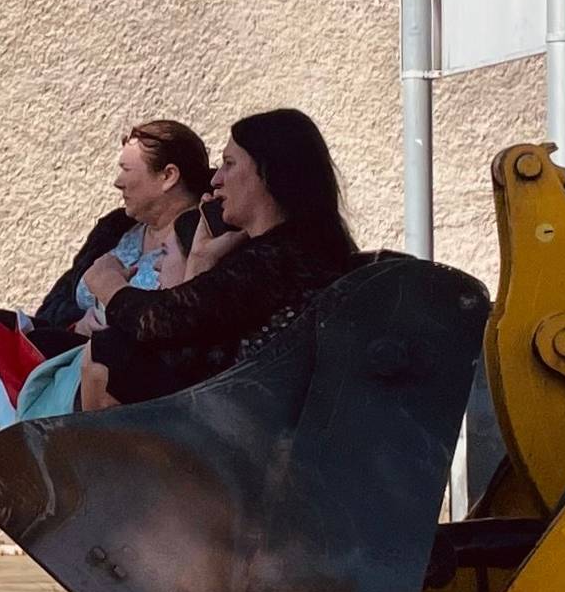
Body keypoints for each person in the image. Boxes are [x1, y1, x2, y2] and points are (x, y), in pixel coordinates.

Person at [77, 107, 359, 413]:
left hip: (253, 433)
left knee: (108, 354)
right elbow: (186, 336)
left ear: (266, 174)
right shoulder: (279, 250)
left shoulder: (283, 257)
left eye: (229, 164)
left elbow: (157, 323)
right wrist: (200, 256)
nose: (216, 180)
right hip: (234, 417)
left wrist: (108, 283)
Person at [0, 121, 210, 442]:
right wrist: (76, 322)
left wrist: (108, 292)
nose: (117, 182)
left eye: (127, 169)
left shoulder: (195, 235)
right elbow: (61, 299)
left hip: (122, 364)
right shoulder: (115, 229)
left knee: (103, 353)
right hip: (78, 344)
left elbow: (176, 321)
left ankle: (28, 428)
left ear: (168, 176)